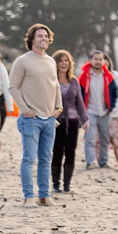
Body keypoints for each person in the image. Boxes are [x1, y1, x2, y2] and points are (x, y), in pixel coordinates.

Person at [8, 23, 63, 208]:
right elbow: (13, 87)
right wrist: (25, 110)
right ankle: (28, 196)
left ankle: (44, 196)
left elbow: (56, 85)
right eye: (40, 36)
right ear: (31, 39)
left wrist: (59, 107)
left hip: (49, 119)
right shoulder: (22, 61)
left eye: (46, 36)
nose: (44, 39)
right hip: (31, 119)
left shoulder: (51, 61)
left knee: (46, 159)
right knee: (29, 159)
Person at [52, 50, 87, 193]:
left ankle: (67, 184)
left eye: (66, 60)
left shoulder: (74, 81)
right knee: (57, 152)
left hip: (72, 121)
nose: (64, 63)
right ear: (56, 64)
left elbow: (80, 102)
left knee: (71, 152)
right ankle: (55, 184)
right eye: (61, 60)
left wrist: (85, 119)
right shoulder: (51, 80)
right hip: (56, 121)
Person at [78, 51, 118, 170]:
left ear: (103, 61)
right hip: (90, 111)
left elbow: (114, 93)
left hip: (105, 112)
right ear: (90, 60)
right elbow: (79, 94)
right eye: (95, 59)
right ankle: (90, 162)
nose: (98, 62)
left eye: (100, 59)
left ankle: (103, 162)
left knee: (105, 138)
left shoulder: (108, 76)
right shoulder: (84, 76)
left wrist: (110, 107)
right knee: (89, 137)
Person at [102, 54, 118, 166]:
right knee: (98, 137)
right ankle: (101, 158)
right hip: (97, 111)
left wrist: (116, 104)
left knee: (114, 135)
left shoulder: (115, 75)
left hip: (113, 112)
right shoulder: (93, 75)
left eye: (105, 61)